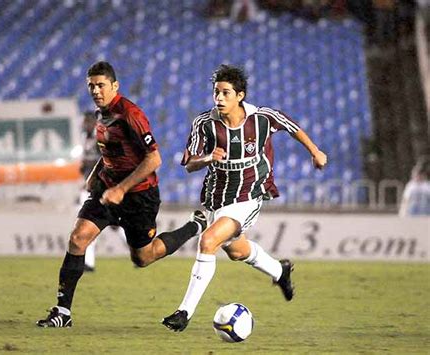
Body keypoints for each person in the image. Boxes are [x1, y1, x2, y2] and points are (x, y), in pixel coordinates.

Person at [36, 61, 207, 328]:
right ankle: (63, 312)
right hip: (107, 190)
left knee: (143, 257)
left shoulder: (131, 114)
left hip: (139, 196)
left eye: (101, 85)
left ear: (115, 86)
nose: (95, 90)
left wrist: (121, 189)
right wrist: (96, 174)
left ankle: (194, 226)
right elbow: (113, 153)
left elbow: (154, 159)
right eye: (91, 86)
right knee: (78, 238)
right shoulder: (100, 115)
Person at [162, 64, 328, 332]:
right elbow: (189, 163)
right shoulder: (204, 124)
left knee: (208, 240)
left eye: (225, 93)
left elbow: (292, 126)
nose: (219, 98)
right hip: (217, 197)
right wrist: (207, 157)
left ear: (240, 95)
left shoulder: (262, 118)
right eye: (216, 92)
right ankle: (279, 272)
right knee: (237, 251)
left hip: (250, 193)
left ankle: (184, 312)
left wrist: (315, 151)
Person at [78, 111, 101, 272]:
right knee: (88, 223)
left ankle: (140, 252)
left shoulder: (100, 138)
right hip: (90, 188)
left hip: (99, 188)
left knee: (88, 222)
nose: (84, 124)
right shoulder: (86, 139)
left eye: (87, 121)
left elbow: (106, 160)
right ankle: (89, 261)